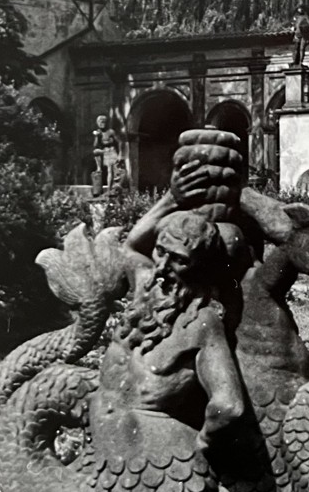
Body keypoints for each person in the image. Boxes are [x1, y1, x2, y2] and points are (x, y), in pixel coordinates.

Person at [101, 130, 249, 454]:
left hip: (151, 457)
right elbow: (131, 245)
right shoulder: (147, 284)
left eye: (179, 260)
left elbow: (229, 406)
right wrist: (171, 198)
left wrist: (200, 450)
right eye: (160, 252)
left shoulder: (203, 324)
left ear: (200, 268)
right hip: (106, 440)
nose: (162, 266)